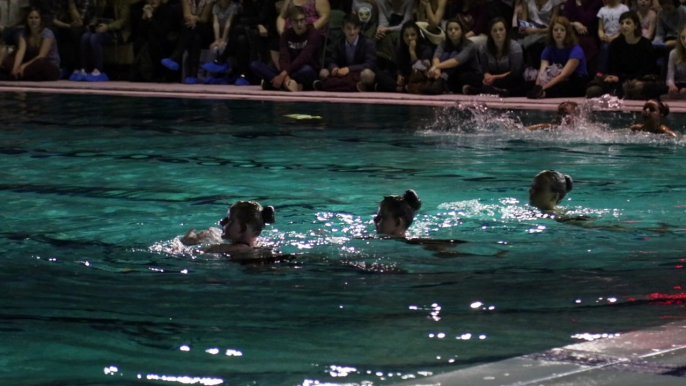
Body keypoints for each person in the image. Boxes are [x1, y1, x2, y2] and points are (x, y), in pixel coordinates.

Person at [250, 5, 322, 91]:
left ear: (306, 20)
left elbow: (304, 57)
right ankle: (290, 84)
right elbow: (284, 57)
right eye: (296, 21)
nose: (299, 24)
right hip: (289, 71)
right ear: (290, 22)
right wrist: (285, 76)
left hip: (305, 69)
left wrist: (284, 74)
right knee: (255, 65)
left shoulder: (313, 33)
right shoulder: (285, 35)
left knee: (307, 70)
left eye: (301, 20)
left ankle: (275, 83)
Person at [586, 11, 657, 98]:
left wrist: (626, 78)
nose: (624, 26)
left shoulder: (645, 44)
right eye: (622, 23)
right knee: (593, 90)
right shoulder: (616, 43)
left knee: (638, 88)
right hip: (619, 80)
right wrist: (613, 77)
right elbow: (613, 67)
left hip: (638, 80)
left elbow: (648, 69)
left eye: (628, 23)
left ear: (636, 25)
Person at [181, 200, 277, 256]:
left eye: (229, 220)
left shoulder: (222, 249)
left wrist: (187, 243)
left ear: (243, 228)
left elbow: (185, 254)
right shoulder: (261, 246)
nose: (222, 222)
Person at [527, 17, 589, 99]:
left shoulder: (576, 50)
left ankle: (543, 94)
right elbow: (542, 72)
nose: (558, 32)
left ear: (567, 33)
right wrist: (537, 85)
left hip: (575, 79)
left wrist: (543, 88)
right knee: (528, 85)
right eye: (556, 30)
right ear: (551, 32)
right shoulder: (548, 49)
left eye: (562, 30)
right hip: (555, 76)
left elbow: (564, 75)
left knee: (561, 87)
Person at [70, 0, 131, 82]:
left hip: (118, 32)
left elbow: (123, 21)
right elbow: (97, 15)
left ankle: (98, 70)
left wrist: (108, 27)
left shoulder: (123, 2)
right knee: (85, 37)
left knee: (95, 38)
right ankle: (83, 69)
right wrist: (92, 24)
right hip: (101, 28)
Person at [315, 14, 377, 92]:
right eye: (348, 28)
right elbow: (331, 60)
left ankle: (329, 85)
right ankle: (351, 86)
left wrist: (349, 69)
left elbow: (370, 64)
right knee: (323, 72)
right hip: (341, 73)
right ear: (343, 29)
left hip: (358, 73)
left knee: (368, 74)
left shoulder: (367, 43)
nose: (352, 32)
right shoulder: (338, 43)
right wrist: (334, 68)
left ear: (359, 29)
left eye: (355, 28)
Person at [469, 17, 525, 97]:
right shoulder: (484, 48)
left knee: (516, 78)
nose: (498, 33)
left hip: (508, 78)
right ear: (490, 33)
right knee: (466, 76)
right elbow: (485, 69)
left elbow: (515, 71)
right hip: (492, 78)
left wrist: (494, 77)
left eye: (501, 29)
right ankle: (491, 89)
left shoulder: (515, 47)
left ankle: (482, 89)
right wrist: (487, 76)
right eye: (494, 31)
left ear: (506, 31)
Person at [160, 0, 213, 84]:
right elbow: (186, 15)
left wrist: (195, 20)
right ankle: (192, 75)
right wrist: (193, 20)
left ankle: (175, 57)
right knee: (195, 37)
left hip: (206, 30)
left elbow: (204, 19)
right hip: (193, 29)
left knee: (191, 29)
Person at [0, 7, 60, 81]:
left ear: (40, 20)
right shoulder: (23, 34)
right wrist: (15, 68)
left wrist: (23, 66)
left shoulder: (47, 33)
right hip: (31, 65)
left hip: (47, 66)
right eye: (30, 18)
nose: (33, 20)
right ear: (27, 20)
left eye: (36, 18)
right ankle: (15, 74)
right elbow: (21, 52)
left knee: (40, 62)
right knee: (9, 61)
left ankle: (11, 76)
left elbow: (42, 56)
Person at [426, 18, 481, 94]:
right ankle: (439, 80)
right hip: (453, 73)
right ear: (446, 32)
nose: (453, 31)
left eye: (456, 29)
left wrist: (436, 66)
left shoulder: (469, 45)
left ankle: (441, 81)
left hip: (469, 74)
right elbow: (436, 56)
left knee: (454, 54)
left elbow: (457, 61)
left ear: (462, 31)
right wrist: (437, 70)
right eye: (450, 29)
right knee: (445, 55)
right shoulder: (444, 42)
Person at [374, 20, 433, 92]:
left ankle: (398, 88)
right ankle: (401, 88)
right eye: (406, 35)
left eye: (413, 35)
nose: (409, 38)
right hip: (405, 78)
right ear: (403, 37)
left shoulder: (426, 49)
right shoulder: (401, 48)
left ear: (418, 36)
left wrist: (412, 52)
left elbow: (420, 70)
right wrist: (399, 75)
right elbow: (399, 66)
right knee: (380, 74)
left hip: (420, 78)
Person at [518, 0, 565, 69]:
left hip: (546, 30)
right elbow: (524, 20)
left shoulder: (555, 1)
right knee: (521, 43)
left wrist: (536, 31)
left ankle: (538, 70)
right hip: (531, 27)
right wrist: (522, 27)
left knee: (536, 44)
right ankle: (528, 71)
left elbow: (553, 26)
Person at [562, 0, 603, 75]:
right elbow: (564, 20)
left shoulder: (596, 2)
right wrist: (574, 24)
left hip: (589, 33)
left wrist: (579, 6)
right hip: (571, 32)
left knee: (586, 44)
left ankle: (586, 75)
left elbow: (586, 19)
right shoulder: (570, 2)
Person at [596, 0, 630, 76]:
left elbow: (625, 28)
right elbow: (600, 29)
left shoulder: (624, 9)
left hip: (620, 37)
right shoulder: (602, 10)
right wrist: (602, 36)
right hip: (607, 39)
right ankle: (601, 72)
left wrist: (614, 38)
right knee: (605, 47)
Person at [666, 25, 686, 97]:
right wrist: (671, 85)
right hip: (678, 84)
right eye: (683, 38)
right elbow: (669, 77)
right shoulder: (674, 53)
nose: (685, 41)